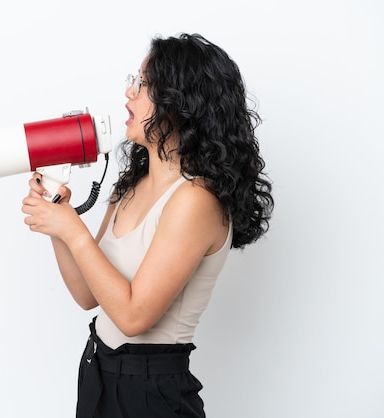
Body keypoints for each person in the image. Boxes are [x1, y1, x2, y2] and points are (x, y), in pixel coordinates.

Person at [21, 33, 274, 418]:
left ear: (180, 104)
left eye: (144, 85)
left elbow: (134, 317)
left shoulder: (195, 201)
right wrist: (57, 223)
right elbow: (89, 296)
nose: (129, 93)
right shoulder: (131, 187)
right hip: (99, 373)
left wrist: (73, 228)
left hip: (150, 393)